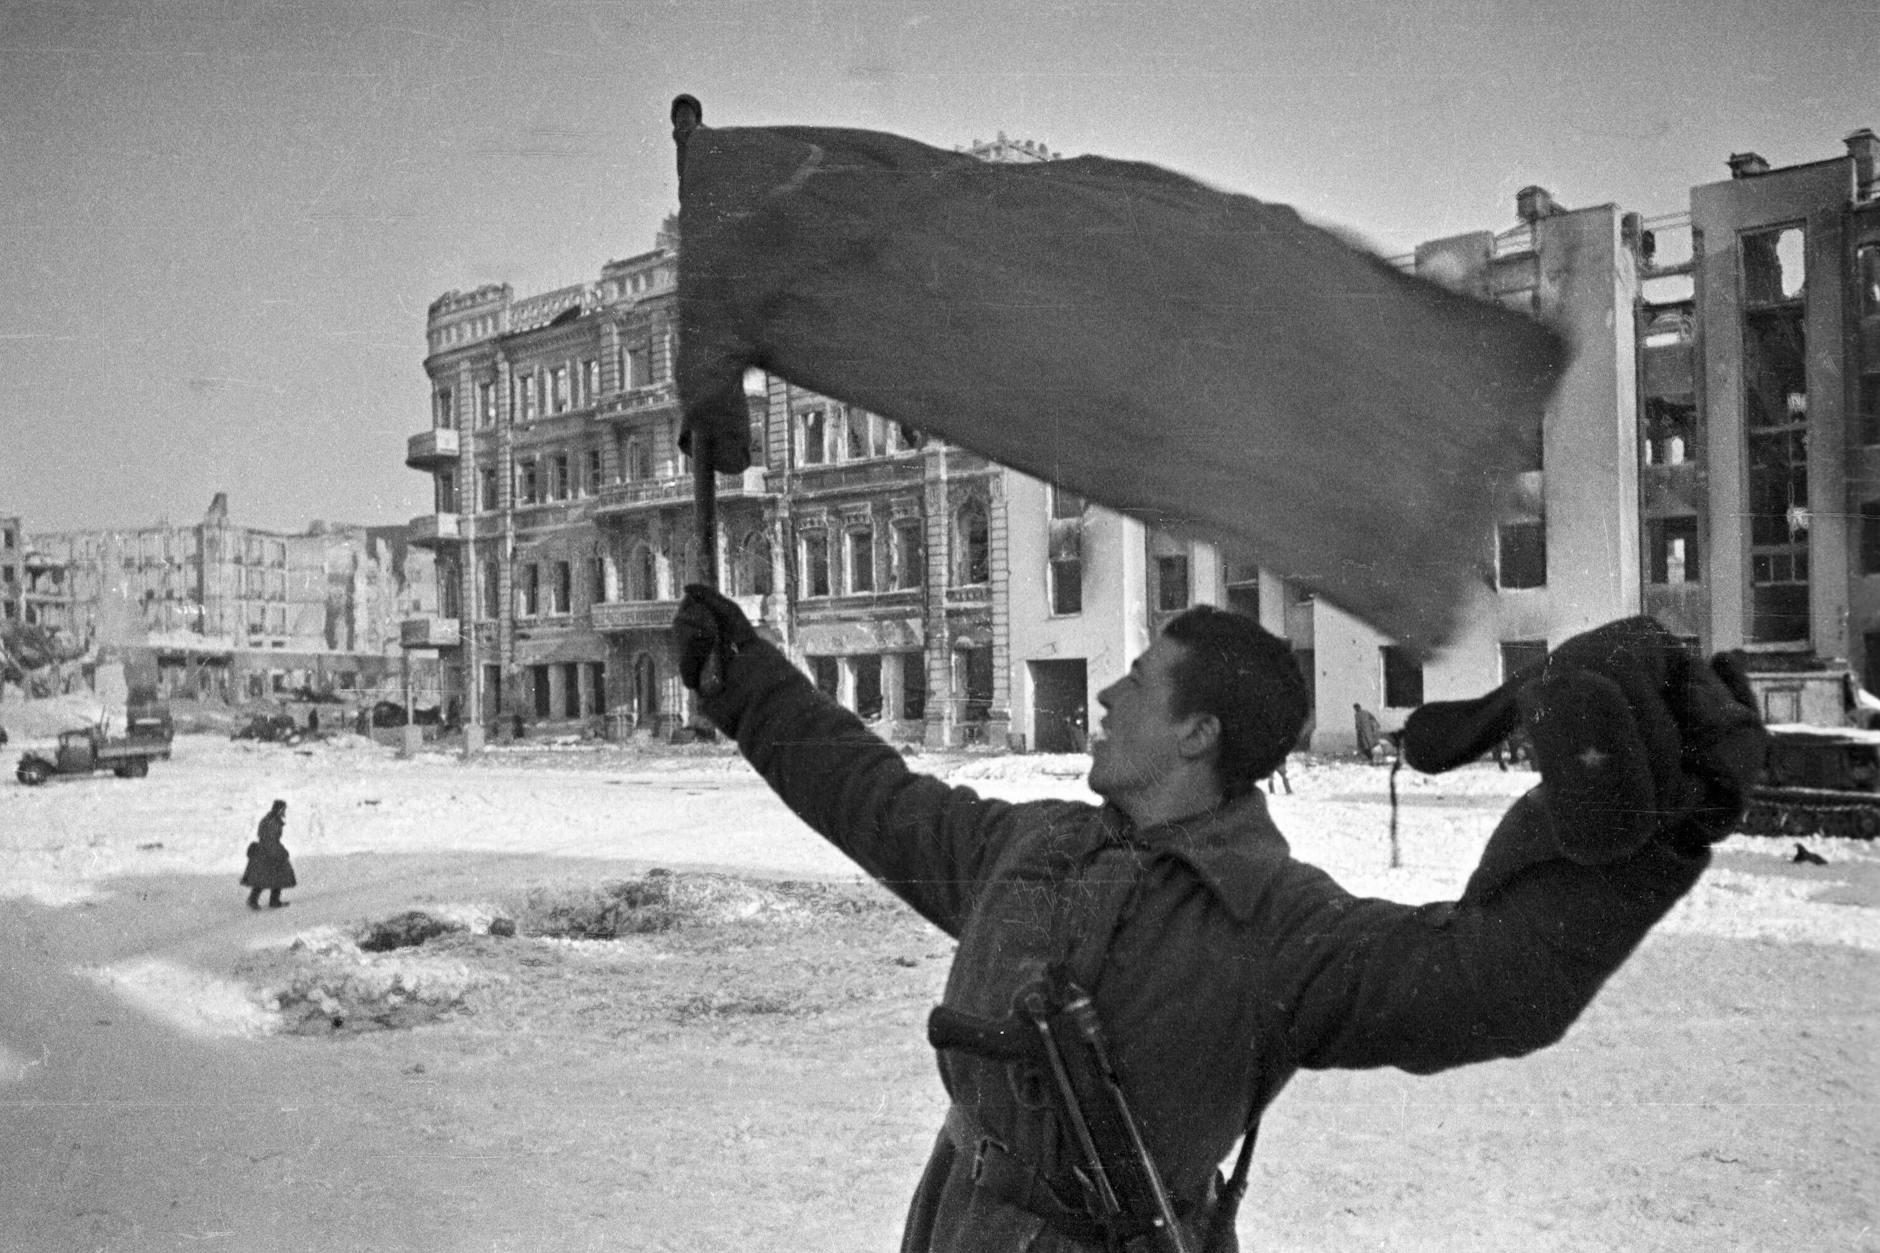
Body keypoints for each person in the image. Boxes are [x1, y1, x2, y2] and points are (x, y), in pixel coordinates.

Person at [670, 588, 1762, 1252]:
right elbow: (869, 793)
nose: (1102, 697)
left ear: (1196, 732)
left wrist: (1655, 835)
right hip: (954, 1224)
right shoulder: (1028, 844)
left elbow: (1488, 979)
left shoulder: (1277, 928)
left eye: (1136, 683)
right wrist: (744, 682)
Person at [241, 799, 297, 910]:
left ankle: (268, 900)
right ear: (279, 809)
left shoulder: (269, 819)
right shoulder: (273, 822)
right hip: (269, 853)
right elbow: (270, 840)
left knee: (269, 878)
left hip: (265, 852)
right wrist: (280, 852)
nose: (284, 811)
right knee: (272, 876)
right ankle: (258, 900)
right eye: (283, 809)